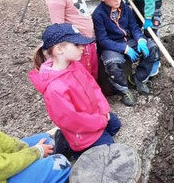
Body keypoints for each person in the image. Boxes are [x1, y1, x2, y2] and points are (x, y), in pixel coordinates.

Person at [29, 23, 121, 157]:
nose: (83, 47)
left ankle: (74, 142)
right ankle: (75, 147)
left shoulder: (75, 65)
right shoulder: (55, 88)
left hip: (94, 117)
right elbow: (73, 120)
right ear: (59, 50)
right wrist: (100, 121)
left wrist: (104, 110)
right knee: (109, 154)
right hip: (81, 130)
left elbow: (93, 87)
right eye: (76, 45)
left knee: (115, 124)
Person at [92, 0, 159, 107]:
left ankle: (138, 79)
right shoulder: (98, 14)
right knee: (112, 64)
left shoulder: (125, 8)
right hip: (111, 46)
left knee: (152, 47)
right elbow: (102, 40)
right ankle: (124, 90)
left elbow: (134, 27)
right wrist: (124, 49)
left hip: (128, 40)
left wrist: (140, 39)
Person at [45, 0, 98, 79]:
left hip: (88, 42)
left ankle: (93, 91)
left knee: (92, 72)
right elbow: (59, 28)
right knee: (81, 74)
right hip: (75, 45)